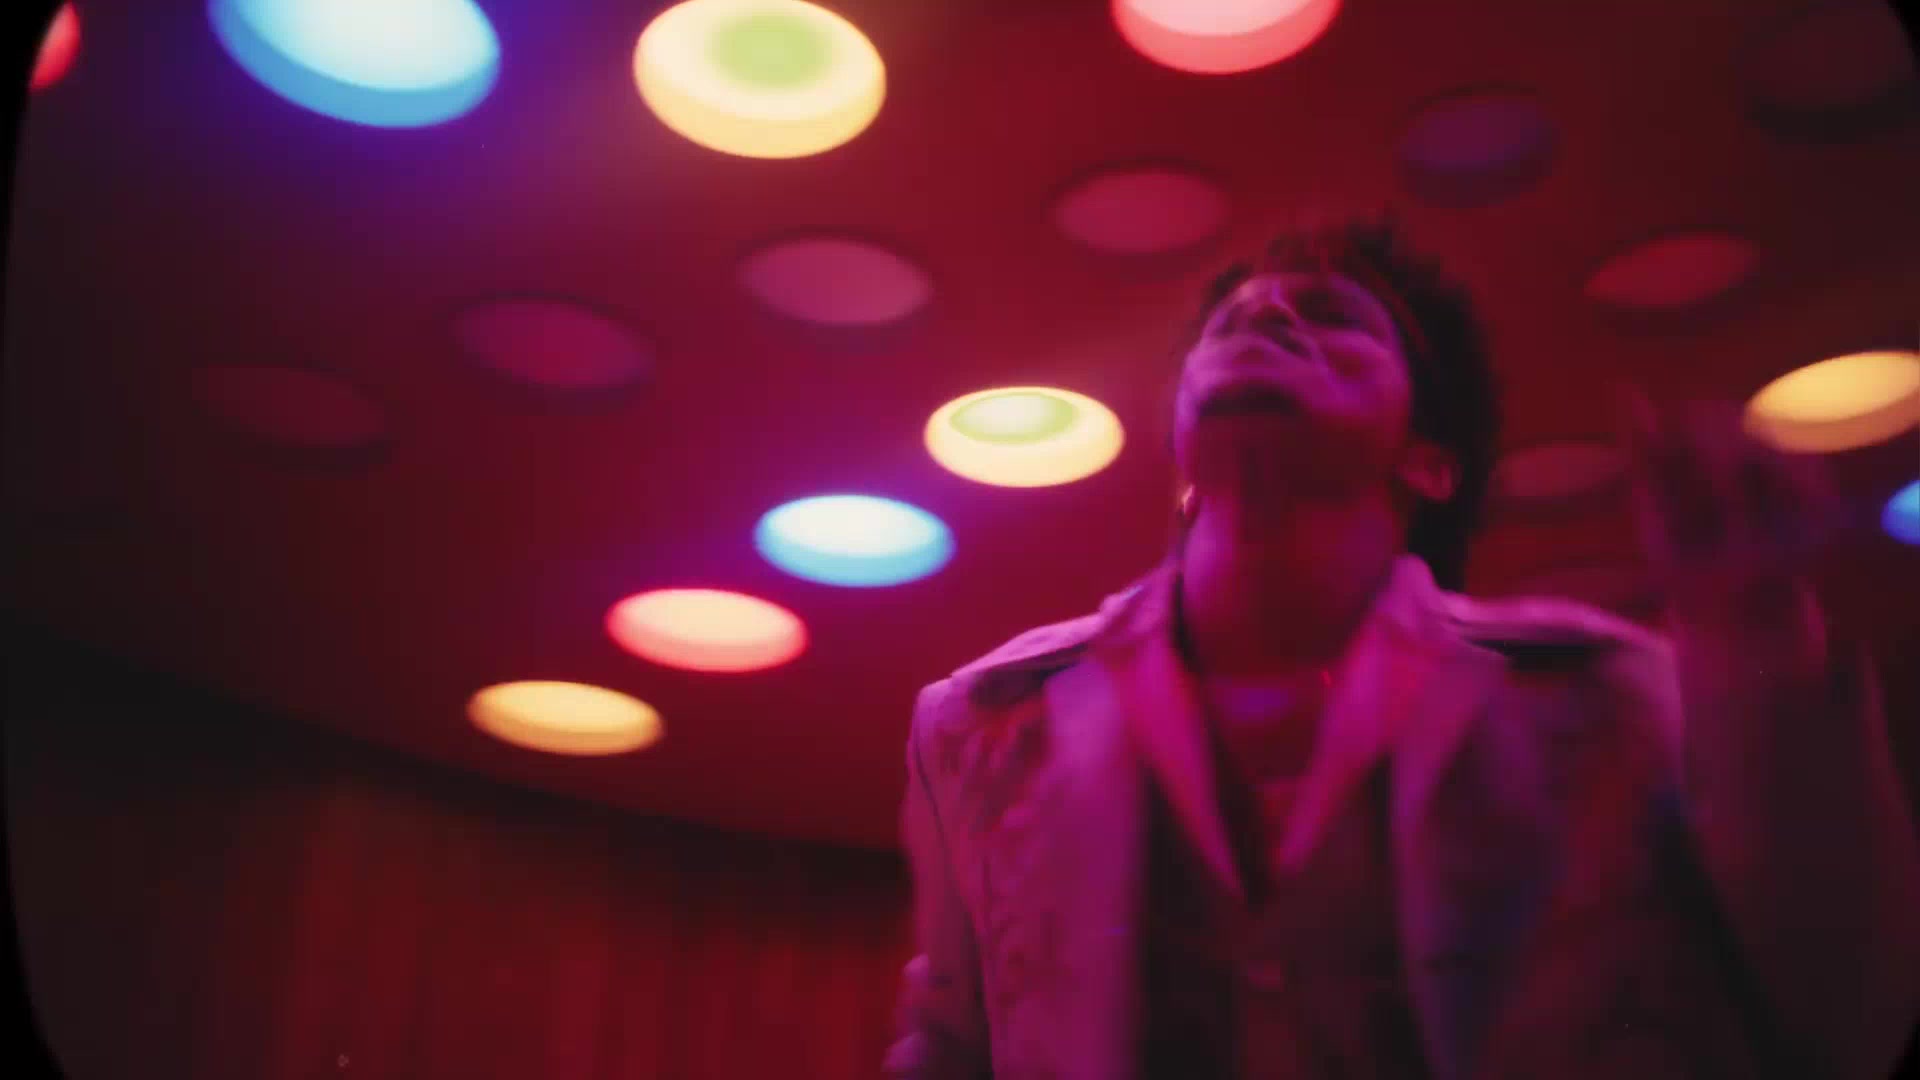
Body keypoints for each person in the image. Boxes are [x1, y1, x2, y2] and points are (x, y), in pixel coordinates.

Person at [885, 217, 1920, 1079]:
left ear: (1430, 461)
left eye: (1333, 317)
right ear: (1181, 447)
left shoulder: (1613, 698)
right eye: (1234, 322)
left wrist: (1755, 628)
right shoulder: (978, 724)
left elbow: (1845, 1009)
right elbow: (951, 1045)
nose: (1268, 317)